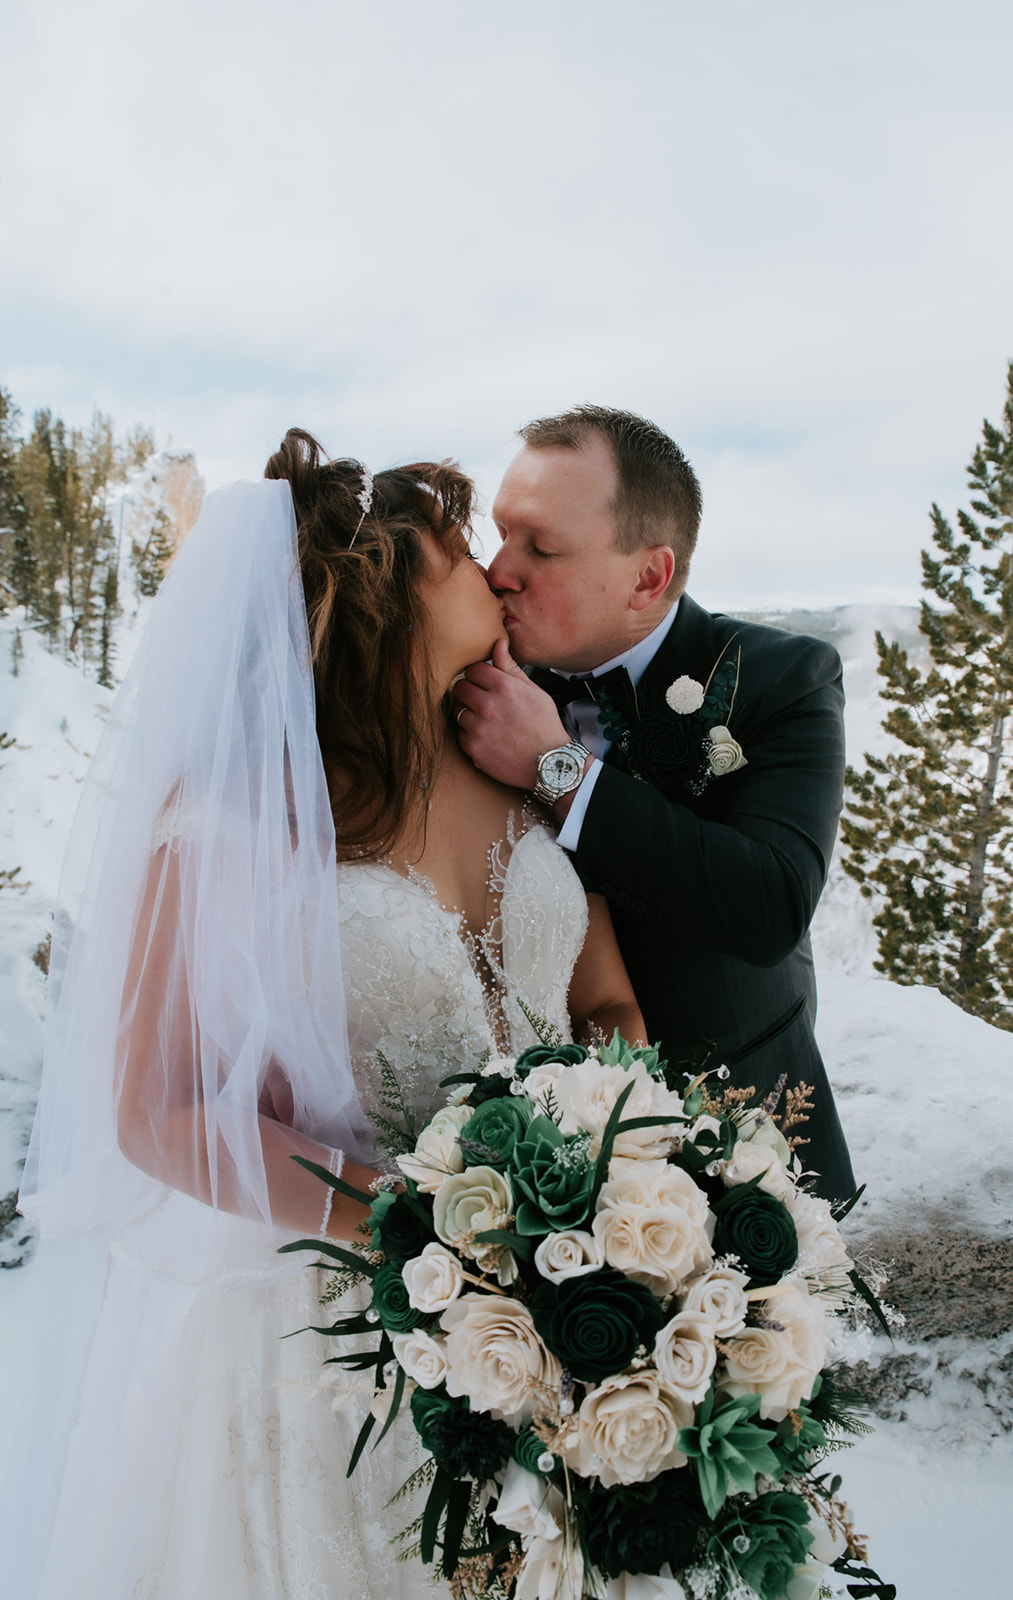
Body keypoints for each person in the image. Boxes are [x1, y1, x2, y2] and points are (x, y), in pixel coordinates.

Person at [0, 431, 642, 1600]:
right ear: (390, 592)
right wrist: (412, 1224)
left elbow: (603, 1001)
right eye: (462, 553)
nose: (497, 577)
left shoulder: (513, 757)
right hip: (342, 1333)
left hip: (569, 1300)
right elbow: (153, 1108)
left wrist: (622, 1171)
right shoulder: (231, 819)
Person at [452, 405, 856, 1203]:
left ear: (648, 576)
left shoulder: (783, 678)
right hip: (526, 1160)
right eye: (499, 533)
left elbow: (768, 905)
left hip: (738, 1135)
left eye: (541, 547)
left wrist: (554, 769)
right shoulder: (469, 680)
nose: (499, 569)